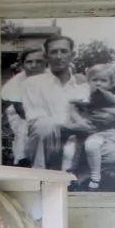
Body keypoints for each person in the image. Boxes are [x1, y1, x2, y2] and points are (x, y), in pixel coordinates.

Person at [20, 35, 90, 169]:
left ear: (72, 55)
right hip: (47, 142)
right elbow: (36, 119)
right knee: (44, 127)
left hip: (76, 140)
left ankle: (79, 177)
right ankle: (39, 176)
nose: (59, 56)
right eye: (54, 52)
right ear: (46, 57)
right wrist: (70, 127)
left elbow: (89, 118)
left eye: (63, 51)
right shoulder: (32, 84)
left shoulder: (84, 85)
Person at [61, 64, 115, 190]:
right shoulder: (83, 96)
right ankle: (65, 178)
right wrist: (80, 122)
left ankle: (95, 177)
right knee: (69, 151)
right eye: (94, 80)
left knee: (93, 145)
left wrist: (105, 109)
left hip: (100, 133)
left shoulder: (111, 98)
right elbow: (72, 110)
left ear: (110, 84)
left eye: (103, 81)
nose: (98, 84)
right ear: (88, 82)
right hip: (81, 131)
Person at [0, 48, 47, 163]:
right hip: (23, 115)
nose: (34, 65)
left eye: (38, 61)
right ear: (22, 64)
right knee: (28, 133)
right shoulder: (17, 82)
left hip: (47, 113)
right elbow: (20, 110)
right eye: (29, 62)